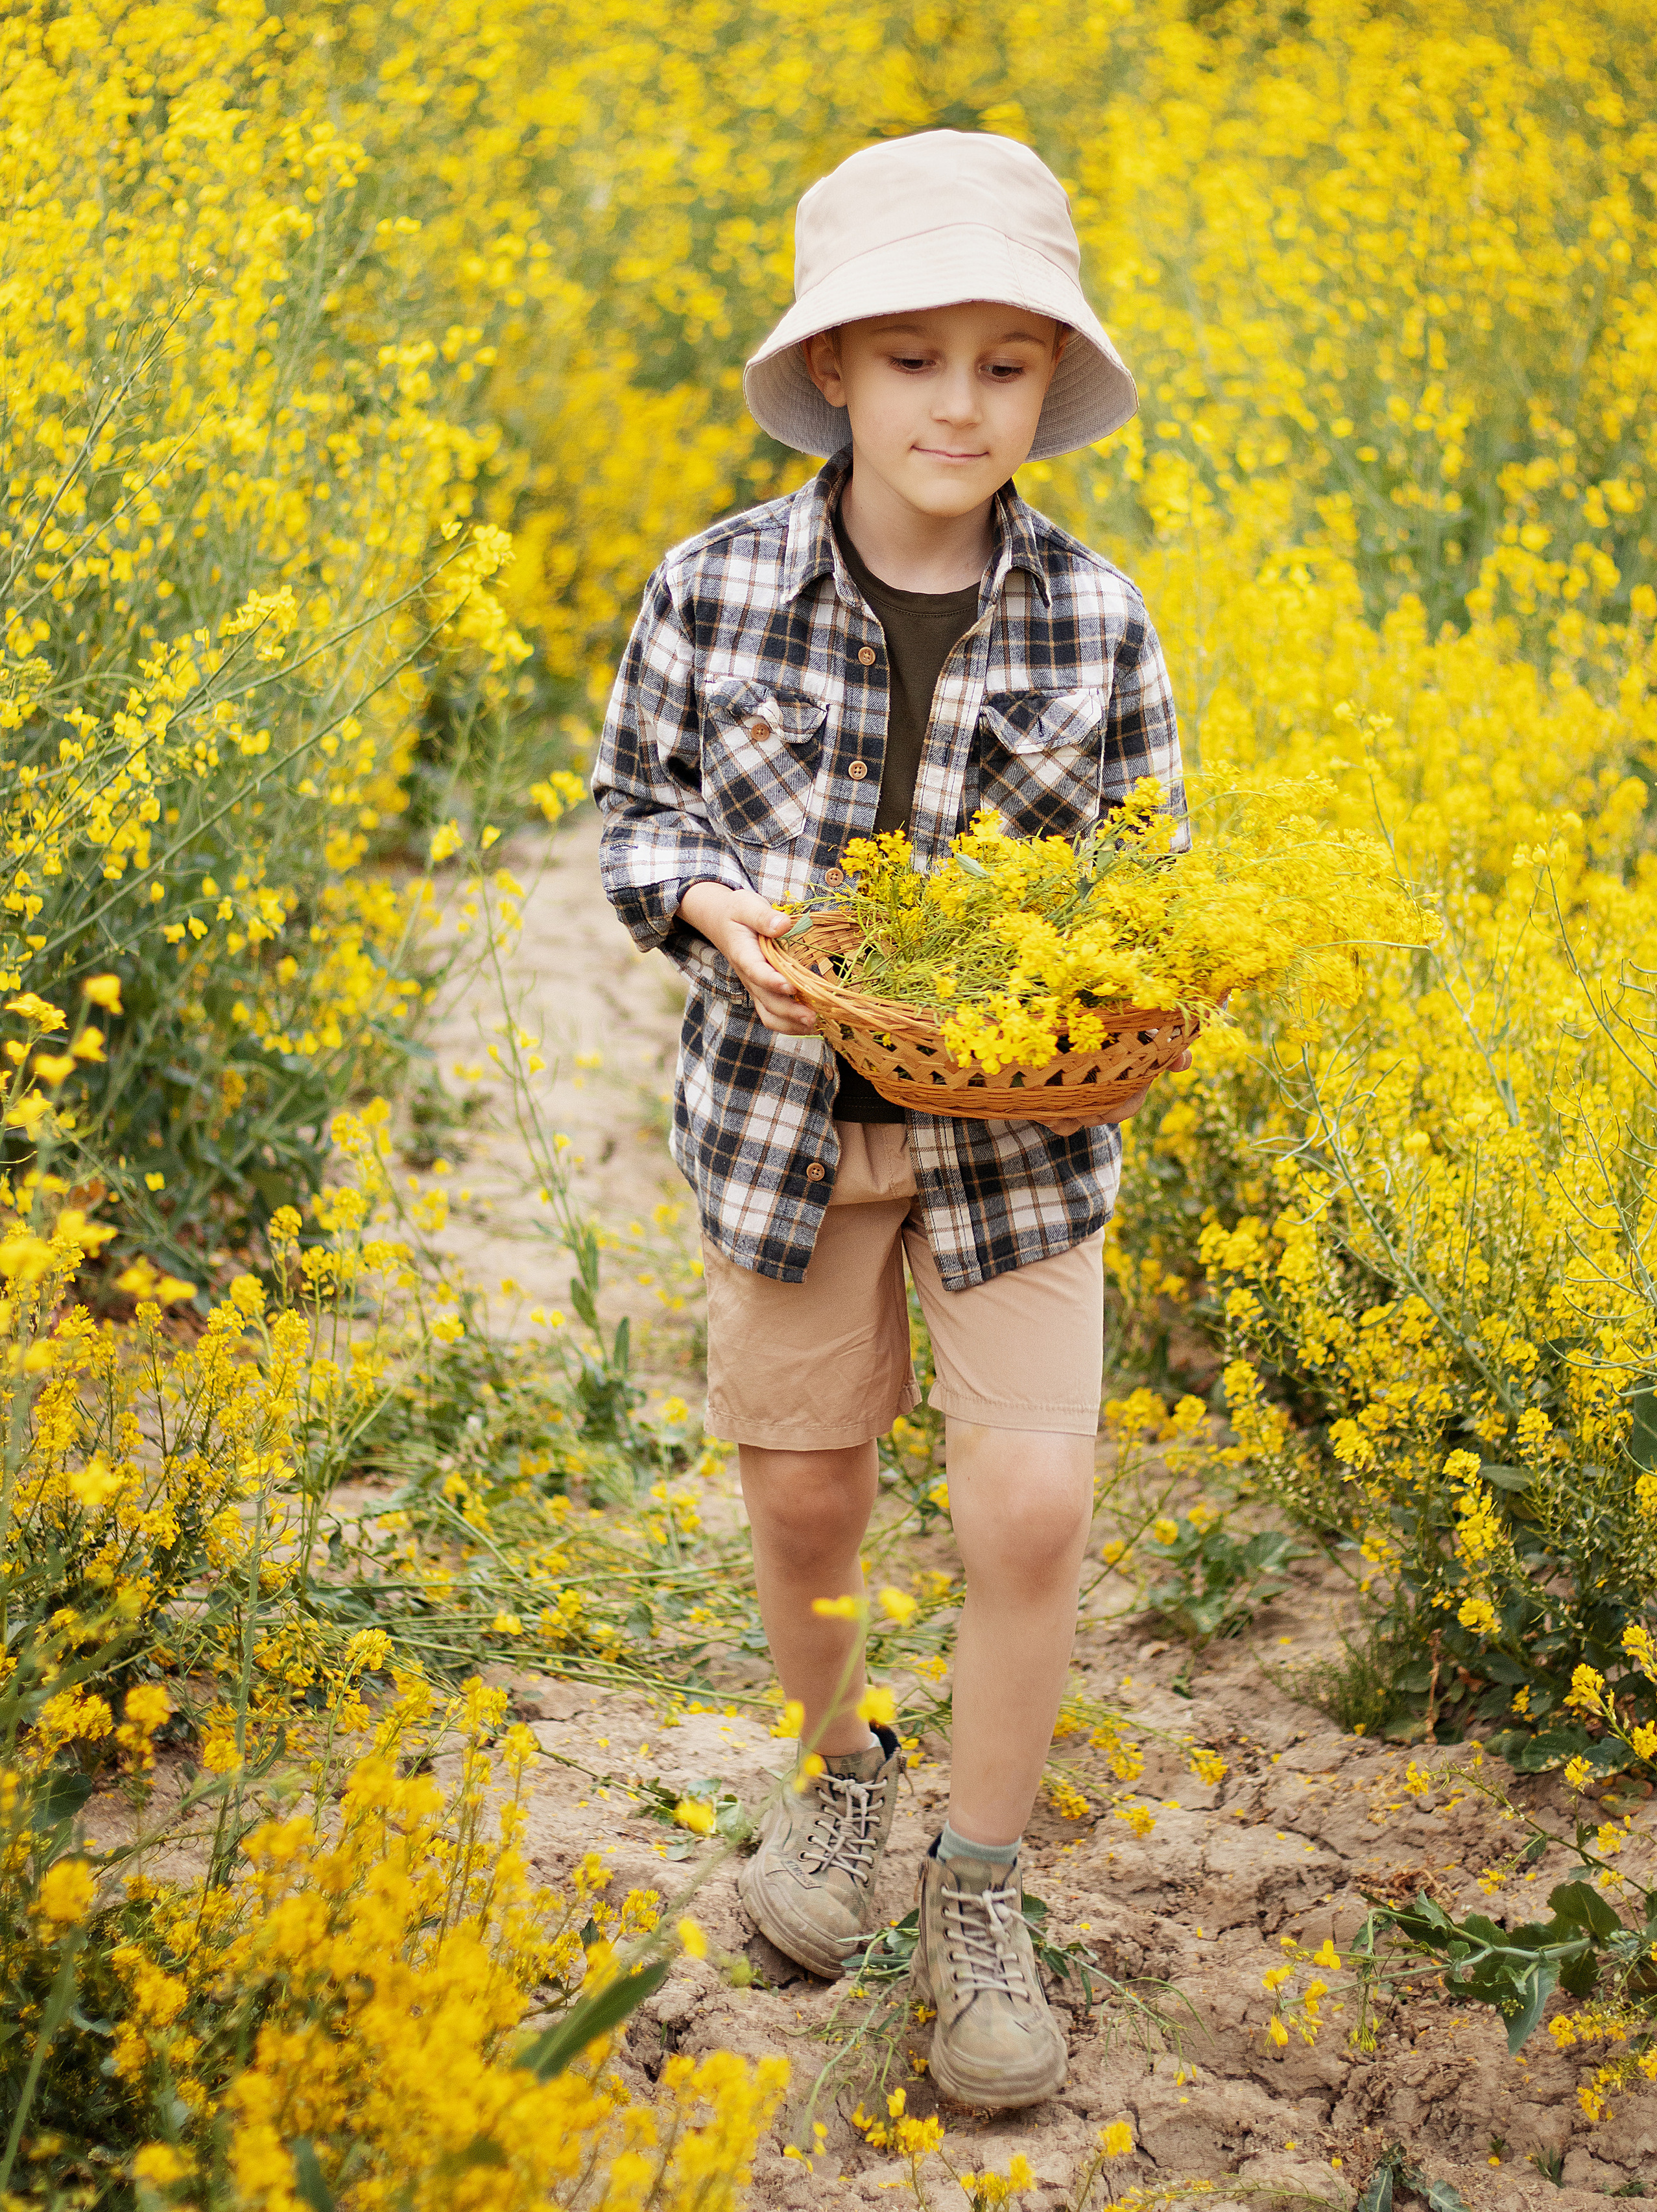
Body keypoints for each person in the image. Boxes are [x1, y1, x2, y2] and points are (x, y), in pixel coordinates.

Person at [593, 129, 1186, 2109]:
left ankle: (985, 1884)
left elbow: (1151, 880)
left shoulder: (1099, 620)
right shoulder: (713, 585)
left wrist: (1133, 983)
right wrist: (710, 906)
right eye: (916, 356)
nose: (962, 402)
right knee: (808, 1496)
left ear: (1048, 386)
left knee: (1029, 1507)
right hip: (782, 1119)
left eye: (1006, 362)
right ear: (834, 370)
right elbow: (635, 815)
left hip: (1023, 1138)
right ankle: (842, 1778)